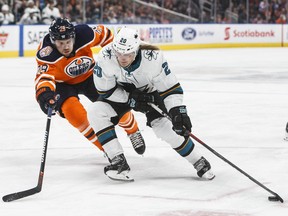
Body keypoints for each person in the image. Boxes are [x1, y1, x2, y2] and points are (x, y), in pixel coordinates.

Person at [88, 27, 215, 181]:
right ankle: (118, 160)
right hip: (120, 93)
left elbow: (170, 87)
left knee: (164, 128)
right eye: (119, 53)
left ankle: (198, 160)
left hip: (151, 94)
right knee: (96, 111)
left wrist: (177, 111)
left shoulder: (153, 55)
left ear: (136, 49)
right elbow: (105, 90)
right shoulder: (105, 56)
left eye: (127, 54)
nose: (122, 58)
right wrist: (130, 99)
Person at [34, 18, 145, 158]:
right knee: (73, 112)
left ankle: (133, 130)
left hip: (90, 76)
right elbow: (43, 78)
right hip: (63, 84)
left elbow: (105, 35)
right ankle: (106, 147)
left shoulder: (85, 34)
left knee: (116, 102)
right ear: (53, 41)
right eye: (61, 43)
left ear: (74, 37)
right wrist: (45, 95)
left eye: (68, 42)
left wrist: (115, 57)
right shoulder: (46, 53)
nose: (66, 46)